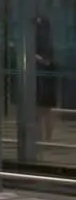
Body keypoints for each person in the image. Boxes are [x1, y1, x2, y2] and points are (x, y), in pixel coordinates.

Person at [37, 14, 58, 142]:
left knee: (43, 111)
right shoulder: (48, 42)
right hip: (45, 81)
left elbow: (47, 62)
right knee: (44, 112)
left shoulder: (45, 44)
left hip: (44, 81)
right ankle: (45, 138)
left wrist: (34, 57)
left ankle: (46, 138)